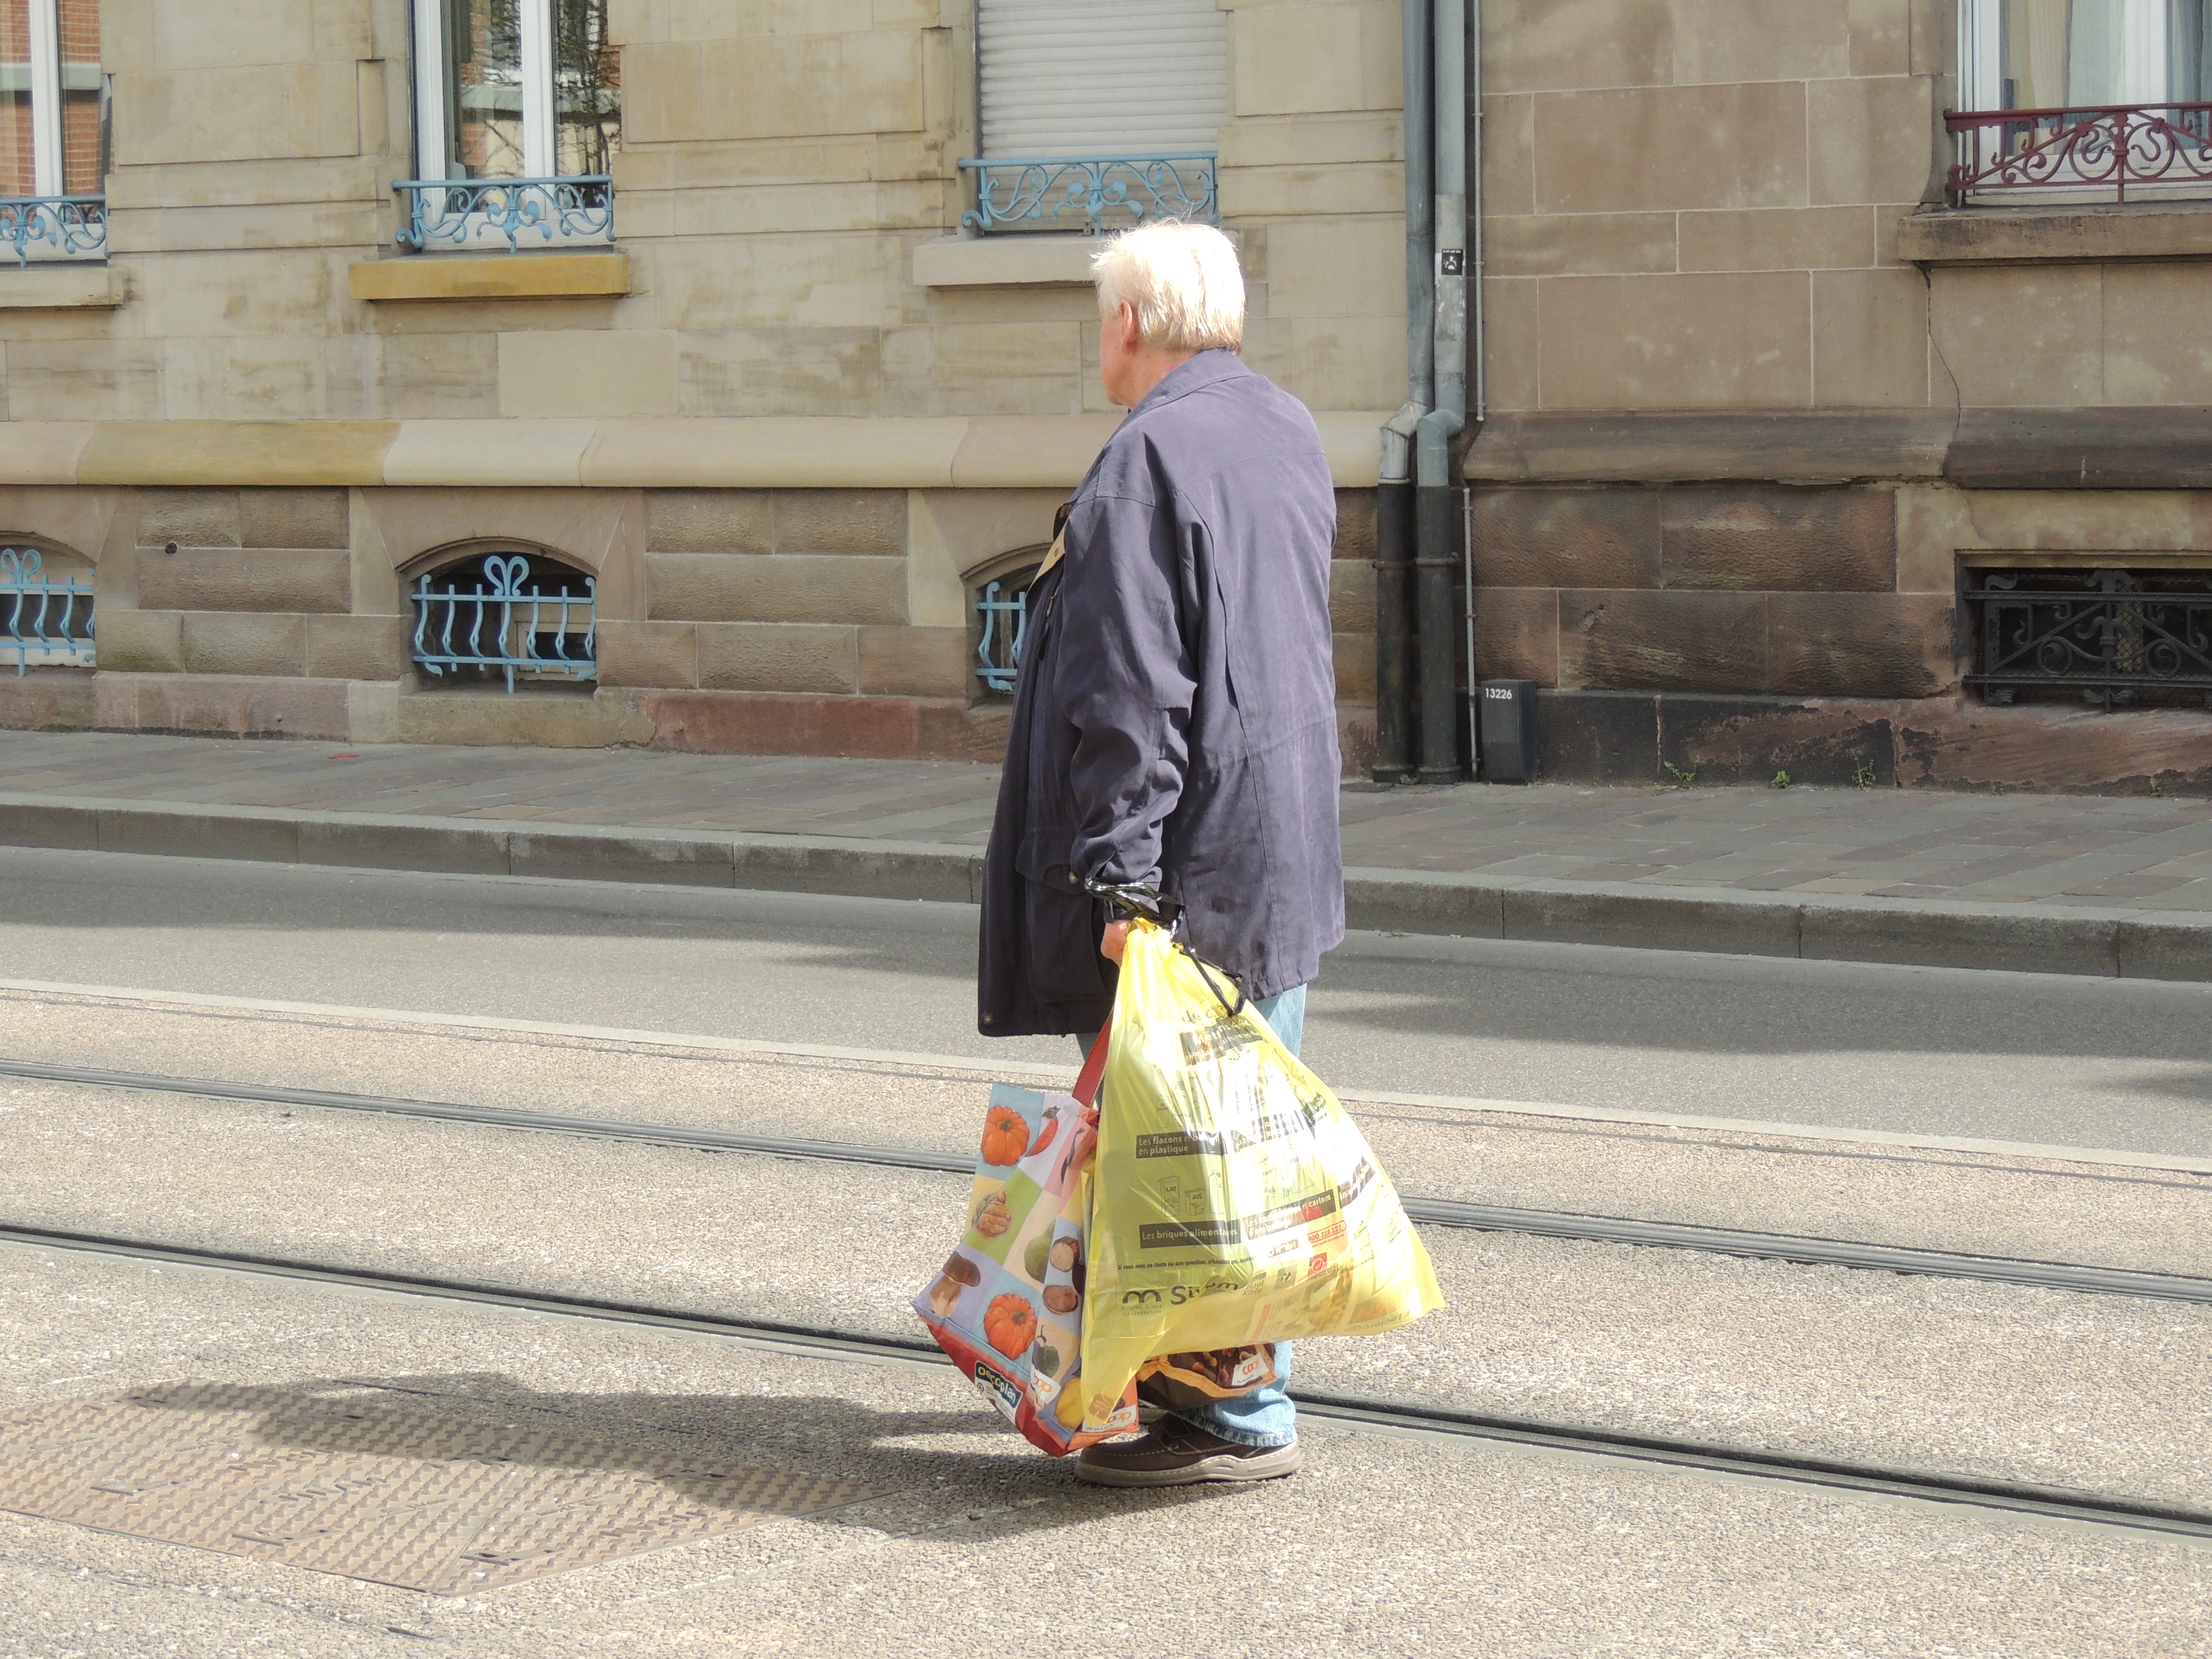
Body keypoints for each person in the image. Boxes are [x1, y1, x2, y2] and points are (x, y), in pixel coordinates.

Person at [975, 219, 1345, 1487]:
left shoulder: (1142, 463)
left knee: (1183, 1159)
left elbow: (1134, 692)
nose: (1099, 341)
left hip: (1186, 877)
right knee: (1238, 1148)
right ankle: (1215, 1398)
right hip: (1277, 851)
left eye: (1099, 320)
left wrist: (1124, 883)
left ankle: (1228, 1418)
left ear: (1132, 323)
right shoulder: (1284, 429)